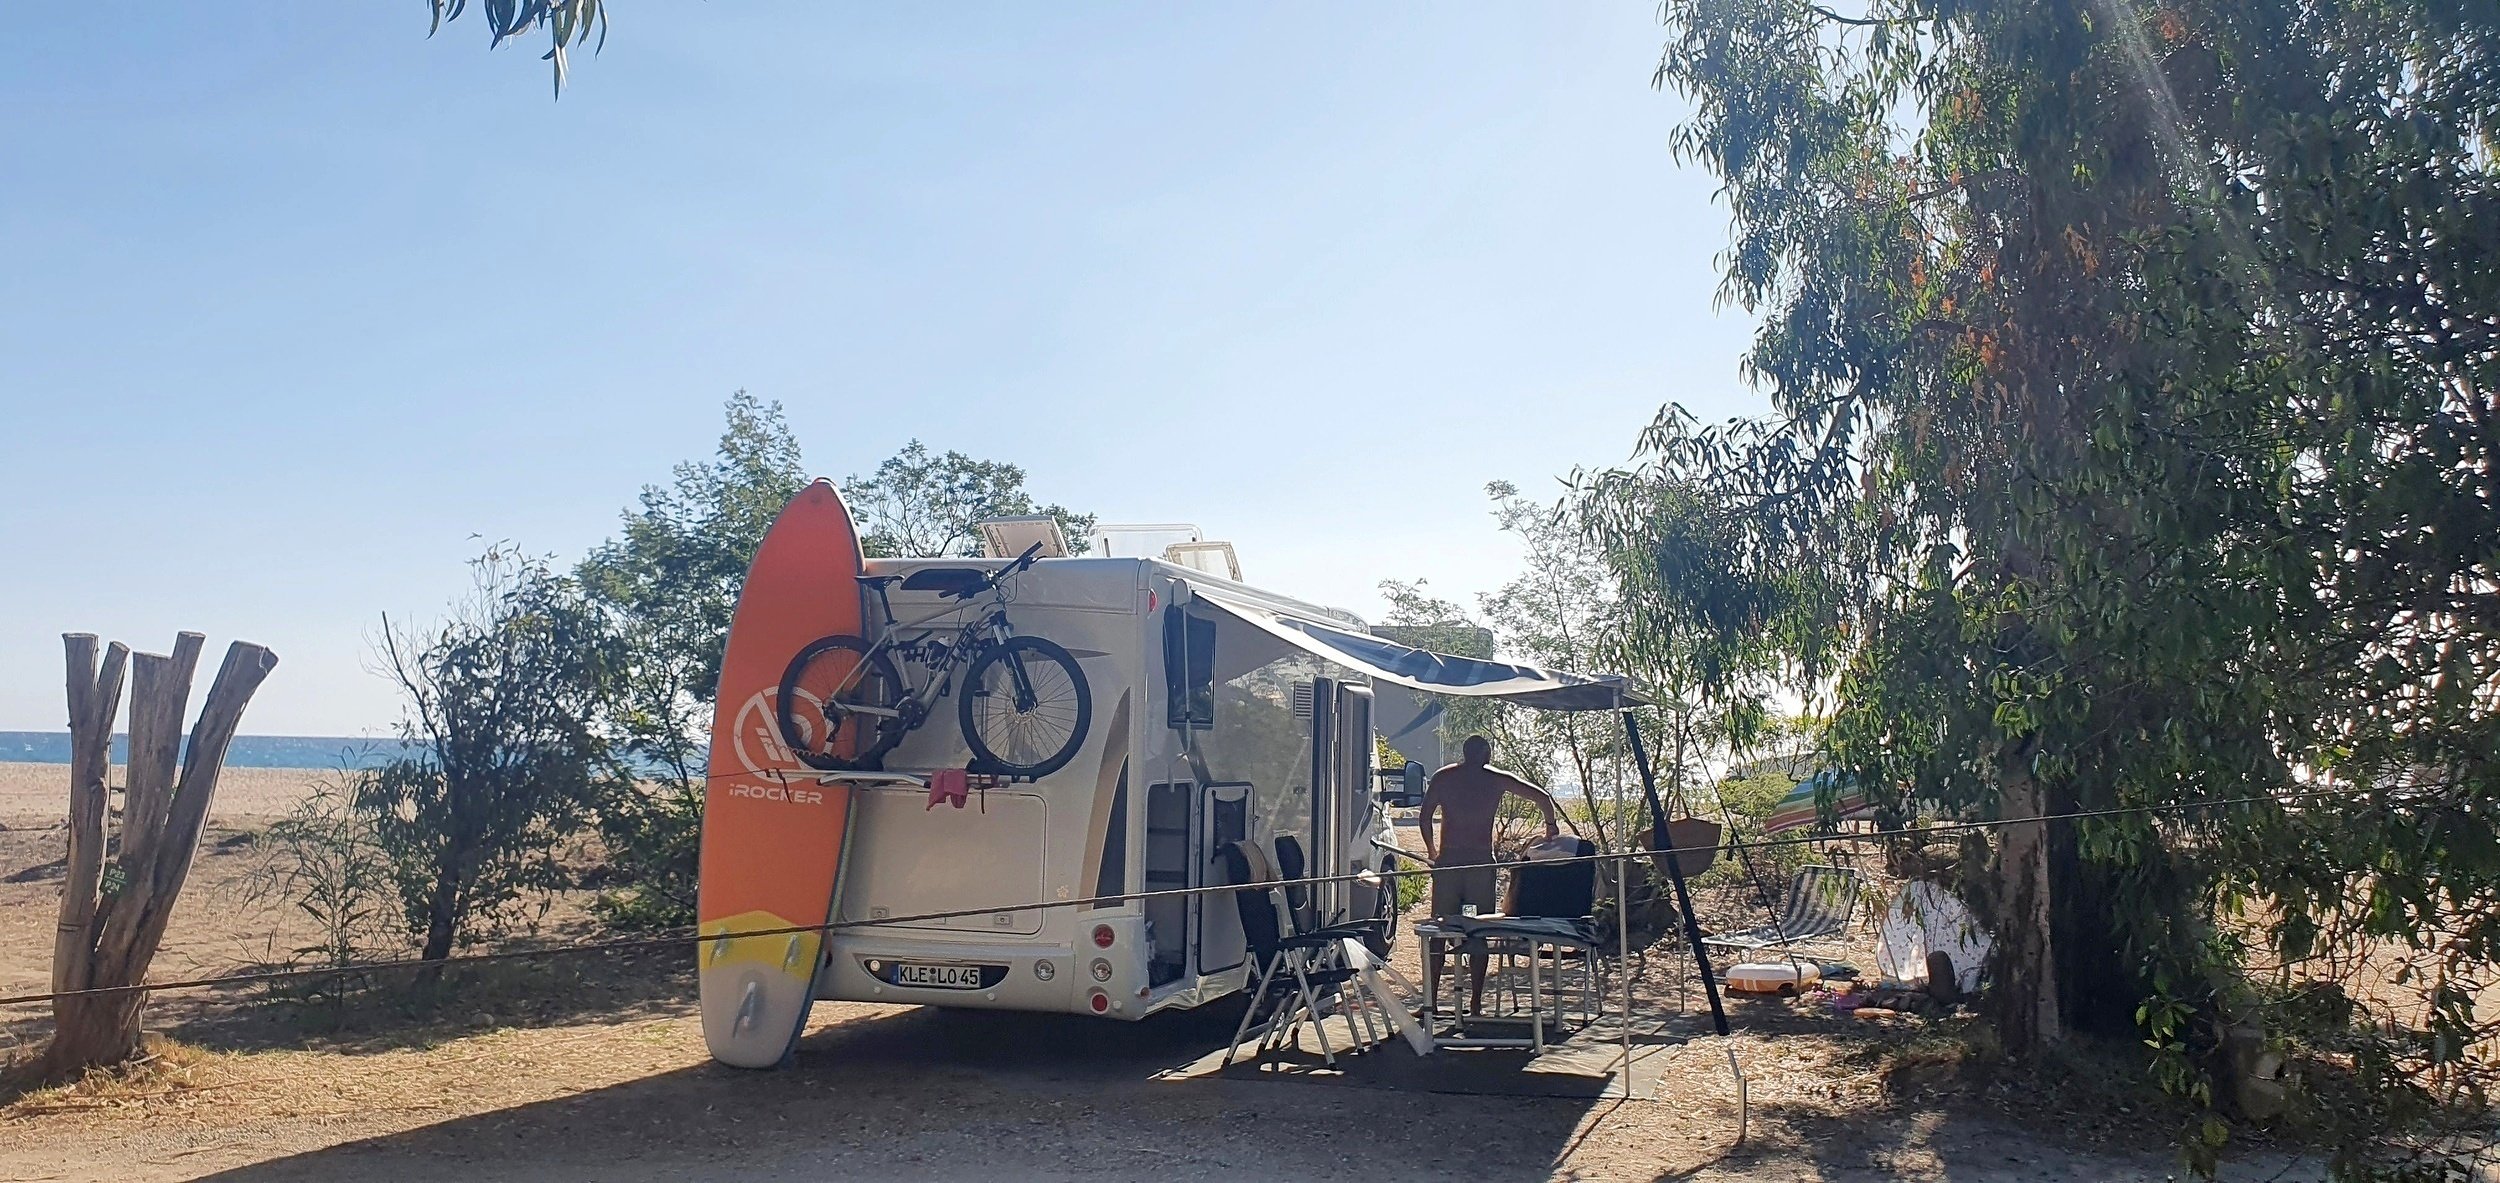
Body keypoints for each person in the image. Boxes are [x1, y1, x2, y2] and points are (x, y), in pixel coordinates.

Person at [1418, 734, 1561, 1014]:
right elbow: (1542, 797)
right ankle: (1469, 1003)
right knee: (1473, 930)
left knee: (1443, 930)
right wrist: (1550, 825)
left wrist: (1433, 851)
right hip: (1476, 867)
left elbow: (1425, 818)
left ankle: (1436, 1002)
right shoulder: (1493, 779)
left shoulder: (1445, 777)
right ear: (1486, 754)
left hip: (1453, 865)